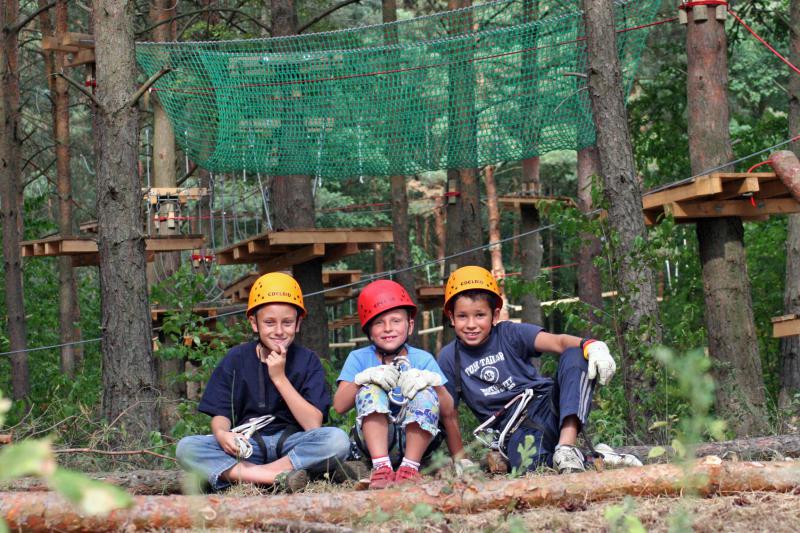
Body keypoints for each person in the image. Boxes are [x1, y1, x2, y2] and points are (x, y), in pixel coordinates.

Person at [176, 272, 351, 492]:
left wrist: (279, 378)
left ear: (298, 323)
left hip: (292, 445)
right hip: (248, 447)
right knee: (186, 448)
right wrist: (222, 435)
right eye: (269, 322)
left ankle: (253, 476)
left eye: (287, 322)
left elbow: (313, 424)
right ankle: (268, 477)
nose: (279, 331)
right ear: (254, 323)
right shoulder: (235, 359)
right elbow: (220, 414)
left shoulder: (308, 361)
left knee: (337, 440)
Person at [437, 266, 618, 474]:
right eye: (462, 316)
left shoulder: (509, 333)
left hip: (548, 406)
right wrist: (462, 460)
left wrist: (591, 345)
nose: (471, 324)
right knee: (527, 465)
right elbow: (448, 413)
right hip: (513, 430)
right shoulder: (449, 358)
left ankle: (566, 447)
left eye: (479, 315)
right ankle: (596, 457)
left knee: (576, 353)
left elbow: (559, 342)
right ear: (451, 317)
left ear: (494, 315)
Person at [333, 279, 463, 489]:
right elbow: (339, 406)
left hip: (418, 442)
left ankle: (410, 468)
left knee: (425, 392)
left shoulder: (423, 359)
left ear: (409, 325)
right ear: (368, 330)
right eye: (378, 323)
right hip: (375, 443)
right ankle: (381, 467)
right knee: (370, 388)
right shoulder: (358, 358)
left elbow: (448, 412)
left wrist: (433, 383)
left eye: (395, 321)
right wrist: (361, 379)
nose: (388, 329)